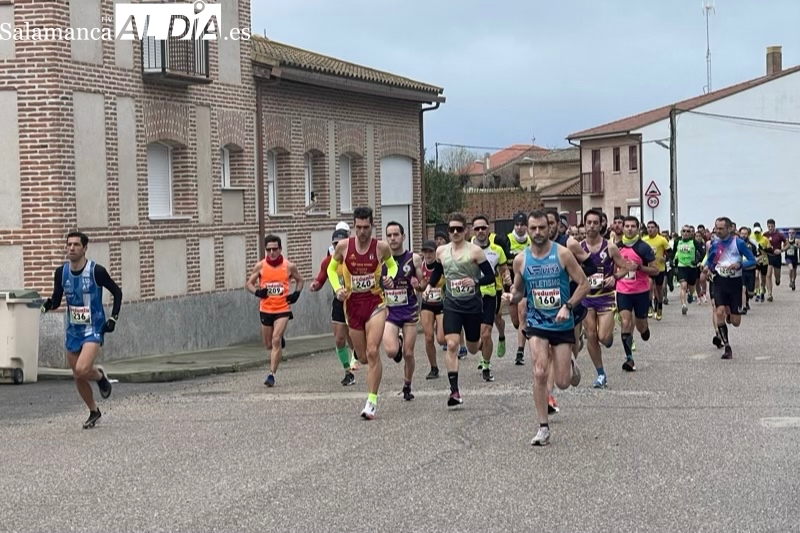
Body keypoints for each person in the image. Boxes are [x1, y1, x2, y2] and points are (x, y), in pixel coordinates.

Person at [503, 210, 590, 446]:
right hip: (537, 321)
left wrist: (568, 306)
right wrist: (512, 296)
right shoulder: (521, 260)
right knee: (539, 371)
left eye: (542, 228)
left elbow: (584, 284)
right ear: (527, 230)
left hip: (561, 321)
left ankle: (570, 365)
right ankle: (543, 427)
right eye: (533, 228)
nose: (538, 232)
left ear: (549, 228)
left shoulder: (562, 254)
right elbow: (520, 291)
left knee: (562, 382)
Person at [40, 231, 122, 429]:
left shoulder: (96, 271)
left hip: (93, 327)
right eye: (68, 245)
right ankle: (94, 410)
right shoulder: (61, 273)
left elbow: (117, 292)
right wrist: (48, 305)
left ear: (85, 248)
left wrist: (113, 318)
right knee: (77, 375)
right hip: (73, 329)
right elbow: (57, 299)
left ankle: (100, 378)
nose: (71, 248)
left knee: (82, 369)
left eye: (76, 245)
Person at [326, 207, 398, 420]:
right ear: (353, 226)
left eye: (366, 227)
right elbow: (331, 269)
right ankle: (370, 382)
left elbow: (392, 266)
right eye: (358, 227)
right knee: (364, 357)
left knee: (373, 351)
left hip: (375, 302)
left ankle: (371, 401)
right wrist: (338, 287)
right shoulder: (343, 247)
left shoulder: (381, 247)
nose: (362, 232)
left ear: (372, 226)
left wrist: (390, 277)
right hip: (352, 305)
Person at [424, 213, 497, 408]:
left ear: (465, 230)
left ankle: (484, 346)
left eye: (459, 229)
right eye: (451, 229)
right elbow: (438, 271)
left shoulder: (475, 251)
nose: (455, 232)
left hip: (472, 306)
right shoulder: (441, 251)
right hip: (452, 304)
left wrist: (475, 281)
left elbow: (490, 275)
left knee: (473, 348)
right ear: (448, 232)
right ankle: (454, 391)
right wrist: (430, 286)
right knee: (452, 343)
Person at [579, 210, 629, 388]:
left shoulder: (610, 247)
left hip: (606, 296)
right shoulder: (578, 247)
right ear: (584, 224)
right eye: (588, 222)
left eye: (595, 223)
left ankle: (609, 338)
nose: (591, 226)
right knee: (590, 334)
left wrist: (614, 277)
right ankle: (600, 373)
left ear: (601, 225)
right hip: (586, 297)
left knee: (603, 337)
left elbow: (625, 268)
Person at [246, 235, 304, 387]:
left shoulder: (289, 266)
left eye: (275, 249)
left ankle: (271, 374)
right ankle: (278, 342)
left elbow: (300, 280)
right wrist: (258, 292)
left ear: (280, 249)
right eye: (269, 250)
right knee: (268, 344)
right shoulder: (260, 266)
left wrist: (296, 294)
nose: (272, 252)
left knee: (275, 339)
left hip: (282, 308)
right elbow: (249, 284)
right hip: (266, 309)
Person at [309, 227, 360, 386]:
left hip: (358, 301)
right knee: (339, 339)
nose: (338, 246)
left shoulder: (357, 258)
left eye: (340, 243)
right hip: (339, 302)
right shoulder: (329, 261)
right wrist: (315, 285)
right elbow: (321, 278)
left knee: (355, 337)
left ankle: (359, 356)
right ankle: (348, 372)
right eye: (335, 243)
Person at [382, 221, 426, 401]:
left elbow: (423, 284)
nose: (392, 239)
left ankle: (407, 384)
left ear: (403, 237)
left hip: (409, 310)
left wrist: (418, 284)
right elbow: (376, 285)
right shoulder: (382, 259)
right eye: (389, 235)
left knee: (408, 353)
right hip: (390, 311)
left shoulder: (413, 258)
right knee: (391, 352)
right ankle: (397, 342)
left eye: (396, 235)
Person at [703, 217, 756, 359]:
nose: (718, 231)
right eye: (716, 228)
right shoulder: (715, 244)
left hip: (735, 283)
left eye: (721, 228)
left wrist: (740, 265)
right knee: (718, 311)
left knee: (736, 322)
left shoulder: (738, 243)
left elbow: (752, 260)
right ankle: (727, 346)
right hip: (720, 281)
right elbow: (711, 260)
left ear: (729, 229)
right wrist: (707, 268)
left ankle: (730, 314)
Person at [615, 217, 659, 372]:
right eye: (626, 226)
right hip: (623, 291)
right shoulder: (617, 247)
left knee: (640, 325)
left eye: (633, 226)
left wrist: (639, 268)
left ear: (638, 228)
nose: (629, 229)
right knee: (626, 322)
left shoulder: (643, 247)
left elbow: (655, 270)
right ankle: (629, 359)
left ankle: (645, 329)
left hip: (640, 291)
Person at [470, 215, 509, 382]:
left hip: (491, 293)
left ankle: (486, 364)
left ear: (488, 229)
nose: (480, 231)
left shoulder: (497, 250)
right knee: (476, 336)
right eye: (477, 228)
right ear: (473, 230)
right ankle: (483, 350)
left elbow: (503, 270)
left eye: (483, 228)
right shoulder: (467, 249)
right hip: (470, 295)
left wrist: (507, 280)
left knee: (486, 333)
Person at [505, 211, 532, 365]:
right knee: (516, 321)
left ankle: (520, 352)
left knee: (523, 314)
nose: (520, 228)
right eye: (517, 225)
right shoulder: (507, 240)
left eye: (523, 225)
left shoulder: (530, 241)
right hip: (510, 284)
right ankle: (522, 331)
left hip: (526, 283)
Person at [419, 239, 445, 379]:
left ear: (436, 252)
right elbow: (419, 288)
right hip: (427, 304)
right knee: (428, 337)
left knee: (441, 339)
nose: (428, 255)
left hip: (441, 304)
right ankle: (433, 368)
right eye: (425, 251)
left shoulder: (441, 266)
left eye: (431, 251)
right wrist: (419, 285)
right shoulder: (421, 267)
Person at [643, 221, 669, 320]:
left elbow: (670, 252)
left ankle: (659, 306)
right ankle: (649, 306)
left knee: (659, 289)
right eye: (648, 227)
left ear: (656, 229)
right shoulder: (644, 240)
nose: (650, 229)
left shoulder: (662, 240)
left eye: (652, 227)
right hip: (648, 268)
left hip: (659, 269)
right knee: (649, 287)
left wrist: (665, 258)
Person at [764, 218, 787, 294]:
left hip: (777, 256)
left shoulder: (779, 235)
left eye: (772, 226)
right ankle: (770, 293)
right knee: (768, 274)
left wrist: (781, 250)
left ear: (774, 226)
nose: (770, 228)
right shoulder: (765, 235)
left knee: (777, 275)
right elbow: (761, 244)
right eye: (769, 226)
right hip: (769, 256)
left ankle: (778, 279)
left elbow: (788, 244)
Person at [751, 223, 771, 302]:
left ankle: (763, 290)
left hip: (764, 260)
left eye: (758, 232)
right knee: (756, 276)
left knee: (763, 277)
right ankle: (757, 291)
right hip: (756, 260)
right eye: (755, 232)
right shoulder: (751, 238)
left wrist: (764, 248)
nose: (757, 234)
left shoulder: (765, 239)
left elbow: (770, 250)